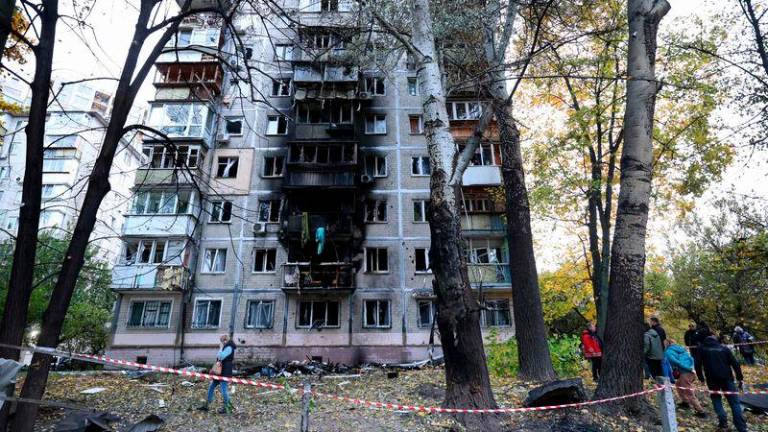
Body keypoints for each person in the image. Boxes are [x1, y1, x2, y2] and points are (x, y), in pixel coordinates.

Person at [699, 330, 748, 432]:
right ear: (714, 338)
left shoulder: (702, 349)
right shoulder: (724, 349)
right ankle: (741, 428)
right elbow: (735, 364)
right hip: (727, 379)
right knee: (734, 403)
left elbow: (697, 364)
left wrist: (701, 378)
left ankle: (723, 424)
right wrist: (740, 378)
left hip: (712, 380)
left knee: (716, 400)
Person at [664, 339, 707, 418]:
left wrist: (688, 368)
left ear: (667, 344)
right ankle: (685, 402)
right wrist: (692, 367)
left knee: (689, 392)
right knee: (678, 384)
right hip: (689, 371)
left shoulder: (668, 352)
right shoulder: (681, 349)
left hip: (685, 372)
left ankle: (701, 411)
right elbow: (691, 359)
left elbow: (676, 362)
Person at [199, 334, 237, 414]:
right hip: (220, 371)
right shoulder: (226, 347)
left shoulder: (229, 347)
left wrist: (220, 348)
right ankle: (206, 405)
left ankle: (228, 407)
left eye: (222, 341)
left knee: (224, 390)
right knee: (211, 386)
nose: (221, 343)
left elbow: (221, 357)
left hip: (225, 372)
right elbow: (219, 356)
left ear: (225, 340)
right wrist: (221, 349)